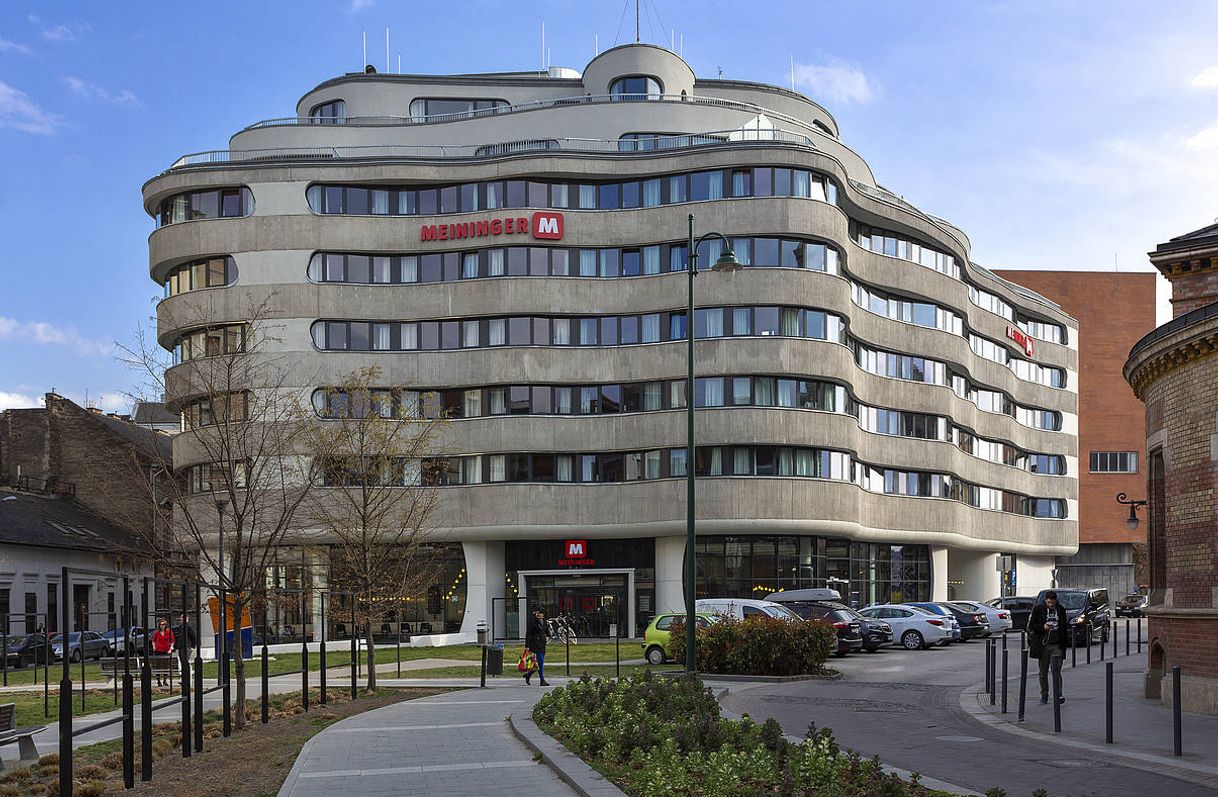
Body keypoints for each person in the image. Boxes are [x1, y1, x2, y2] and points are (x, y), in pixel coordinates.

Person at [1028, 591, 1068, 705]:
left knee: (1057, 671)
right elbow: (1032, 625)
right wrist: (1043, 627)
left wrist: (1065, 645)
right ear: (1045, 600)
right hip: (1043, 645)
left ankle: (1058, 694)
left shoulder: (1060, 610)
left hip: (1057, 645)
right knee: (1043, 672)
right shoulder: (1038, 609)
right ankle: (1044, 695)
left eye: (1053, 602)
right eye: (1049, 602)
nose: (1051, 604)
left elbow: (1064, 628)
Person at [523, 608, 549, 686]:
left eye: (540, 613)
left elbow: (547, 631)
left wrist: (547, 636)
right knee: (540, 662)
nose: (538, 614)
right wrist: (527, 645)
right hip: (535, 644)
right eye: (537, 613)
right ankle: (542, 680)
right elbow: (528, 634)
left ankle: (528, 674)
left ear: (543, 614)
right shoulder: (533, 622)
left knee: (538, 664)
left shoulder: (544, 621)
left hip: (542, 644)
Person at [151, 619, 175, 687]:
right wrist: (154, 647)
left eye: (163, 624)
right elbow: (153, 640)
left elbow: (173, 641)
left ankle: (165, 680)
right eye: (161, 624)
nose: (162, 626)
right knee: (158, 666)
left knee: (166, 666)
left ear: (166, 625)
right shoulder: (157, 633)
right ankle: (158, 681)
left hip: (166, 650)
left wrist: (171, 648)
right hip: (158, 651)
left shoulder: (169, 632)